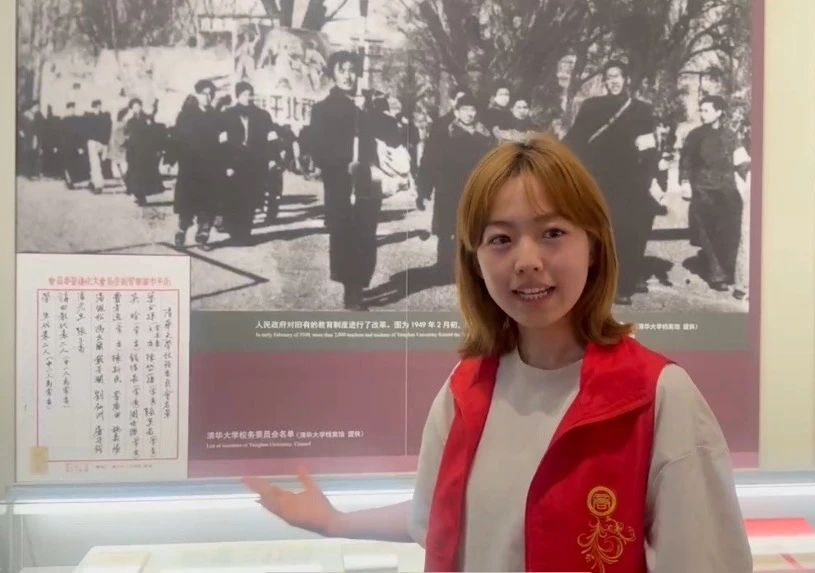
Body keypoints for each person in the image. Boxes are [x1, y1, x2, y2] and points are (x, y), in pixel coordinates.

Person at [243, 134, 753, 573]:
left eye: (552, 233)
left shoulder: (656, 398)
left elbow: (706, 560)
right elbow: (437, 516)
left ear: (594, 244)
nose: (526, 261)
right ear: (476, 260)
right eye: (501, 239)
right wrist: (334, 522)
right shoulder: (466, 390)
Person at [563, 61, 659, 305]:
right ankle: (600, 280)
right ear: (604, 81)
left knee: (629, 229)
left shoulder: (641, 110)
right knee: (599, 230)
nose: (613, 81)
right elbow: (575, 139)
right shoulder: (592, 106)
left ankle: (624, 284)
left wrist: (650, 178)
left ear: (626, 79)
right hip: (598, 177)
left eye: (617, 76)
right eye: (609, 77)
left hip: (629, 180)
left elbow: (648, 148)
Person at [303, 51, 382, 310]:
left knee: (366, 233)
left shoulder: (368, 105)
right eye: (342, 70)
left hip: (367, 180)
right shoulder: (323, 109)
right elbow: (317, 147)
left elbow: (389, 135)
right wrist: (342, 162)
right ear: (333, 74)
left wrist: (367, 111)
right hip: (340, 182)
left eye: (351, 70)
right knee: (345, 234)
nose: (348, 76)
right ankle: (352, 290)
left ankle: (360, 282)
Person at [419, 93, 493, 282]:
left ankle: (470, 269)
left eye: (473, 109)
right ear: (457, 111)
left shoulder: (484, 134)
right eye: (465, 109)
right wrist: (424, 189)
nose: (470, 114)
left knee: (472, 229)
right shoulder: (445, 133)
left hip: (475, 189)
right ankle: (444, 268)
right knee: (447, 231)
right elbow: (429, 161)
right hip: (449, 189)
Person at [679, 95, 744, 293]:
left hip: (727, 190)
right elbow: (686, 161)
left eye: (706, 110)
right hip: (703, 190)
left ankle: (725, 269)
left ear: (718, 112)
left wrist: (750, 174)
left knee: (728, 232)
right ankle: (717, 275)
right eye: (701, 110)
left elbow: (741, 160)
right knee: (707, 232)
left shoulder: (731, 135)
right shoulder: (695, 135)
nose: (702, 114)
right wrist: (685, 182)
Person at [221, 81, 276, 243]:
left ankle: (245, 232)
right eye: (245, 94)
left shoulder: (262, 115)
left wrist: (272, 158)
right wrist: (226, 164)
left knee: (251, 197)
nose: (248, 98)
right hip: (234, 163)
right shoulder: (227, 115)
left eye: (250, 94)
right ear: (238, 96)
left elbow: (271, 138)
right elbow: (222, 142)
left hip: (255, 163)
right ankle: (233, 228)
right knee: (234, 197)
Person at [172, 81, 222, 248]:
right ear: (197, 95)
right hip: (190, 166)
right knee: (187, 202)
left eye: (211, 94)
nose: (208, 97)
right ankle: (181, 231)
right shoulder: (186, 115)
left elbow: (220, 139)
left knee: (207, 202)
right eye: (204, 93)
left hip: (210, 166)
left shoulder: (215, 116)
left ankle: (203, 234)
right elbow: (178, 139)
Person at [82, 99, 112, 194]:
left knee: (95, 163)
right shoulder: (90, 117)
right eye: (96, 107)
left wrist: (105, 144)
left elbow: (107, 131)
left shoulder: (104, 118)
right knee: (95, 163)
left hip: (98, 142)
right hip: (94, 142)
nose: (97, 108)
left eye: (98, 106)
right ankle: (96, 183)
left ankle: (97, 184)